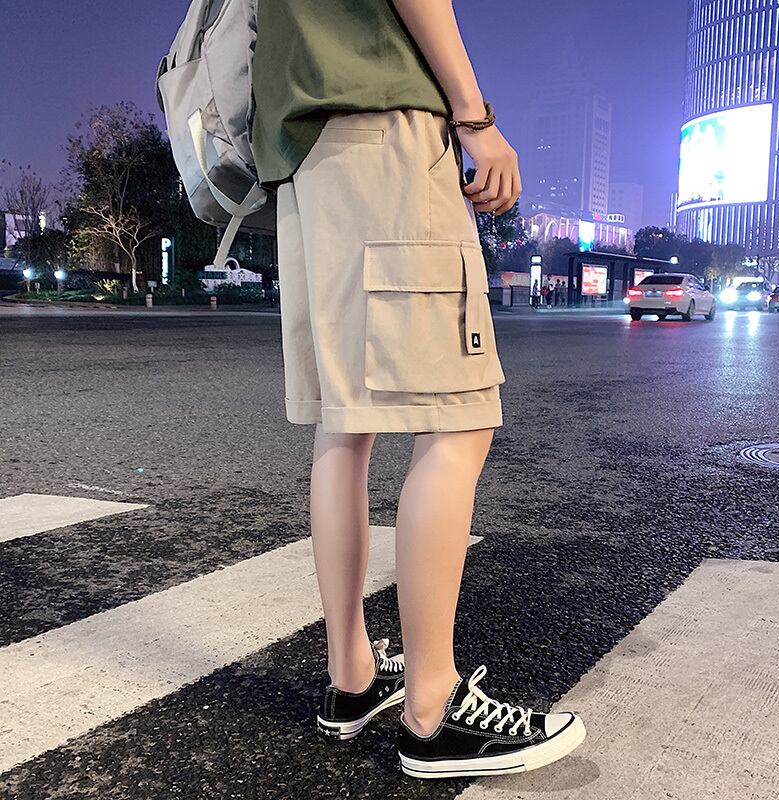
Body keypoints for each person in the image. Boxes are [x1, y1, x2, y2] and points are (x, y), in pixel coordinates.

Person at [250, 0, 585, 779]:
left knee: (344, 422)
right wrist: (474, 116)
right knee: (461, 420)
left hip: (304, 151)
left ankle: (351, 677)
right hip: (387, 133)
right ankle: (432, 708)